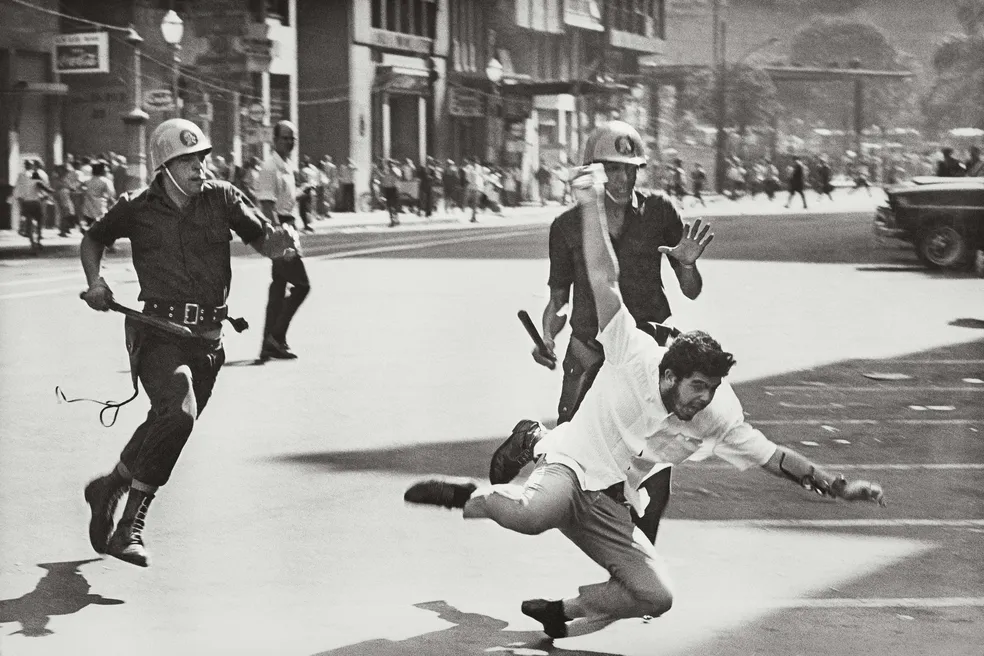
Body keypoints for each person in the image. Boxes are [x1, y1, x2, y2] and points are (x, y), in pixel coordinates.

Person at [404, 163, 887, 639]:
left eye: (712, 389)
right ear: (670, 374)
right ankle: (471, 492)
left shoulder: (715, 413)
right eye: (697, 387)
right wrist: (591, 202)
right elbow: (601, 277)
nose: (704, 400)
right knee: (535, 515)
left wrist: (836, 485)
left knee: (656, 594)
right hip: (573, 466)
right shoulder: (633, 353)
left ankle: (563, 610)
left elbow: (774, 457)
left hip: (615, 494)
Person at [79, 118, 298, 567]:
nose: (201, 168)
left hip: (208, 342)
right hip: (157, 333)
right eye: (189, 161)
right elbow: (93, 238)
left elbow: (262, 238)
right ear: (164, 166)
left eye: (202, 158)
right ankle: (130, 529)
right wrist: (96, 283)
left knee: (167, 422)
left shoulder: (221, 197)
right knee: (178, 414)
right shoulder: (136, 206)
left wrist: (281, 245)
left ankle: (110, 485)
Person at [518, 121, 709, 540]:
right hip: (590, 356)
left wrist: (688, 265)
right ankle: (531, 441)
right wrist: (548, 337)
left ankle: (638, 561)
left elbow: (690, 291)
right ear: (592, 171)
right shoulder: (568, 226)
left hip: (650, 360)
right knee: (573, 462)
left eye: (631, 169)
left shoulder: (660, 212)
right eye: (612, 169)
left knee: (653, 474)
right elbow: (558, 299)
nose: (622, 179)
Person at [257, 120, 310, 361]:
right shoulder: (270, 167)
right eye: (285, 138)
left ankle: (270, 343)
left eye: (293, 138)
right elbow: (267, 206)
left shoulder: (287, 166)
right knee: (302, 285)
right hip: (281, 231)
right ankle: (275, 336)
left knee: (278, 288)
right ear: (275, 140)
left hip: (289, 226)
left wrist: (302, 191)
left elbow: (284, 200)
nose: (290, 142)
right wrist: (280, 237)